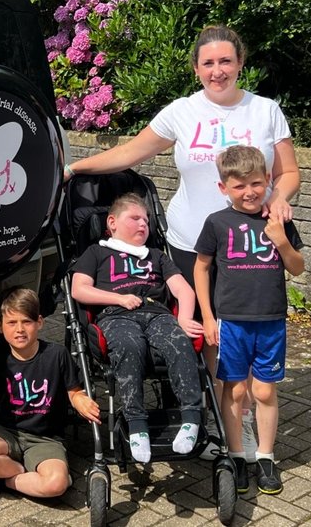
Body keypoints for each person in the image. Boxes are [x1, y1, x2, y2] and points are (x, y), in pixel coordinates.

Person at [63, 24, 300, 461]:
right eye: (208, 63)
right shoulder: (182, 112)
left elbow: (289, 173)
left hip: (248, 242)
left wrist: (280, 200)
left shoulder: (265, 111)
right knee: (208, 335)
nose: (218, 70)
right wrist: (75, 168)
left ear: (240, 63)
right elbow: (130, 153)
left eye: (226, 61)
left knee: (241, 328)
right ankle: (211, 417)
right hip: (192, 240)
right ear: (196, 69)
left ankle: (242, 420)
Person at [193, 145, 304, 495]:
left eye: (256, 183)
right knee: (236, 389)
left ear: (268, 180)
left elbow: (297, 268)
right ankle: (237, 454)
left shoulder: (279, 220)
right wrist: (208, 317)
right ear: (224, 188)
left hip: (270, 320)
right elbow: (202, 268)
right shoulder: (217, 223)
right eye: (239, 186)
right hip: (232, 321)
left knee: (265, 390)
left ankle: (266, 457)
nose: (250, 192)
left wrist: (281, 240)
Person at [70, 193, 203, 463]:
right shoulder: (96, 252)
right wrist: (118, 298)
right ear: (112, 222)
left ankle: (191, 418)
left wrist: (185, 318)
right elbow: (79, 289)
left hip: (157, 312)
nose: (144, 224)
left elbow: (184, 291)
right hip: (116, 314)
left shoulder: (156, 256)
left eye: (146, 219)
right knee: (129, 345)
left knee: (179, 341)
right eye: (135, 218)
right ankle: (137, 424)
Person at [0, 287, 101, 500]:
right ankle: (21, 477)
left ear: (40, 323)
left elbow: (74, 391)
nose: (20, 329)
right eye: (12, 323)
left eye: (26, 322)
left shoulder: (57, 355)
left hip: (47, 439)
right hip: (8, 433)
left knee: (56, 485)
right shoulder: (0, 361)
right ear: (0, 326)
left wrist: (81, 400)